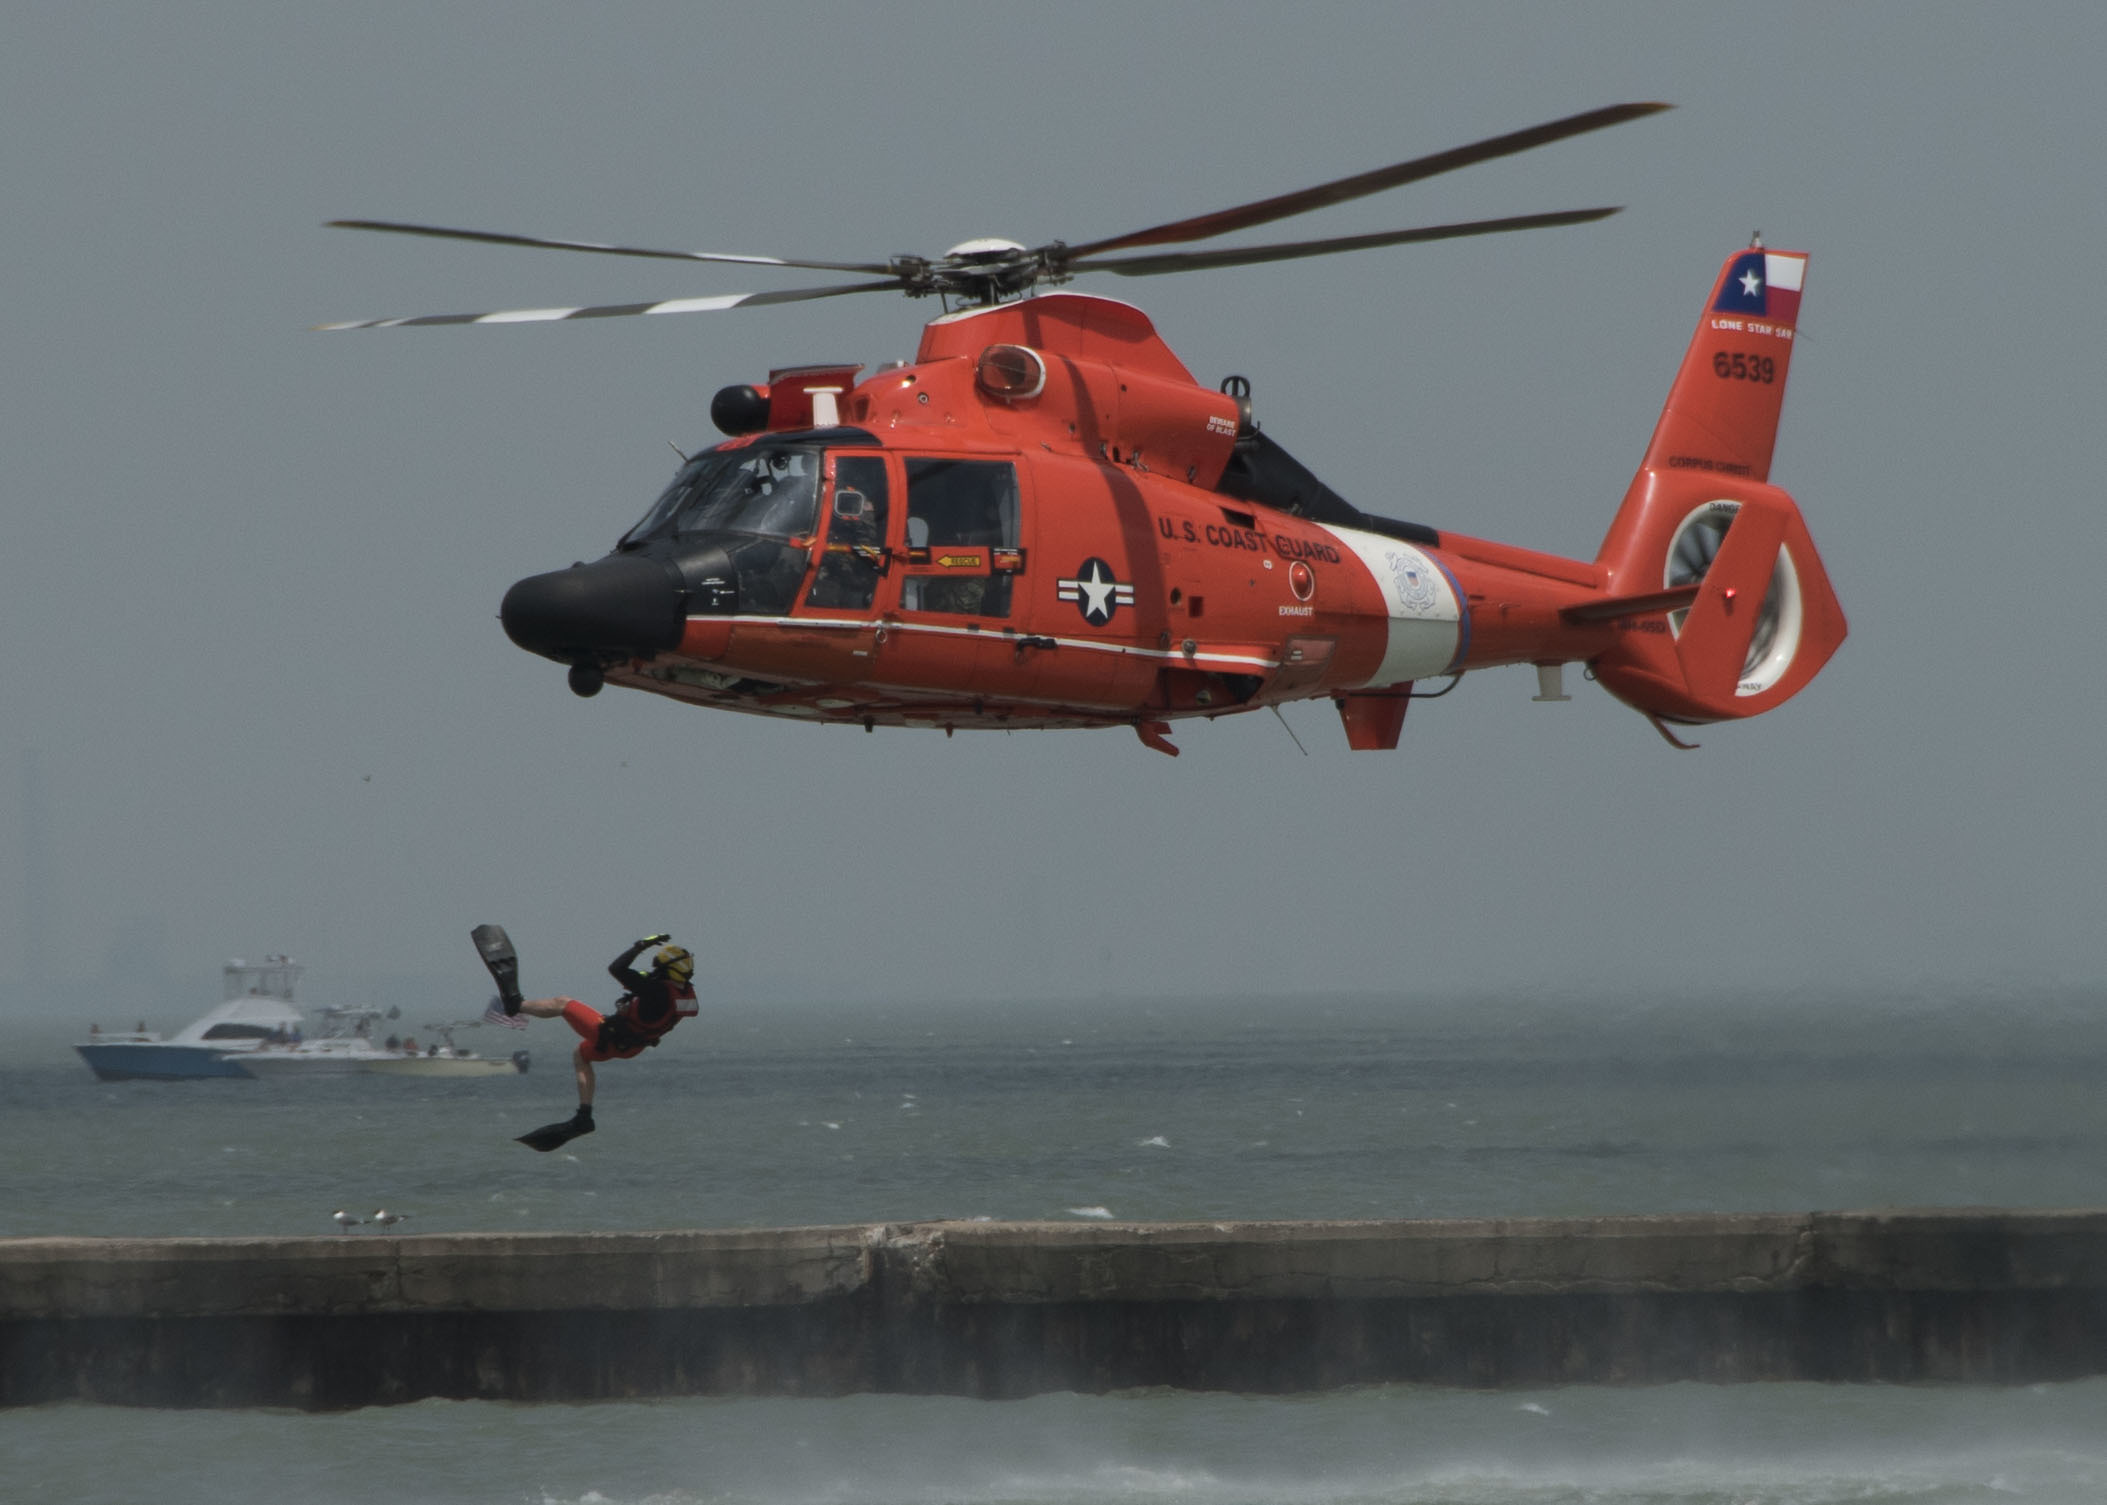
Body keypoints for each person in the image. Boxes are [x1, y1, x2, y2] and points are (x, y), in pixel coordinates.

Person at [516, 934, 697, 1140]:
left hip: (609, 1036)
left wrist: (640, 946)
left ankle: (515, 1005)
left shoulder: (655, 991)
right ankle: (584, 1116)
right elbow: (647, 985)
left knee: (562, 1003)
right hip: (632, 1047)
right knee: (581, 1054)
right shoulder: (685, 996)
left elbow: (617, 969)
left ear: (664, 968)